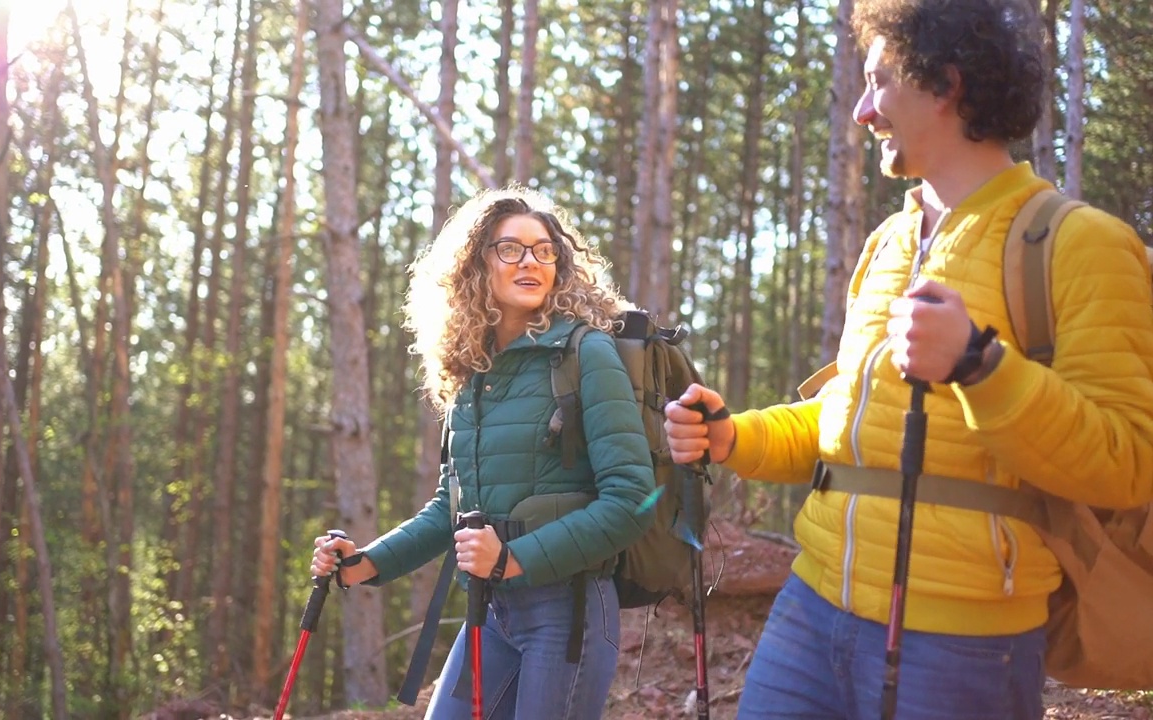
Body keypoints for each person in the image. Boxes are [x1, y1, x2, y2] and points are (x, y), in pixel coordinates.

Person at [664, 0, 1153, 717]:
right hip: (812, 605)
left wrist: (980, 367)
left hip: (965, 640)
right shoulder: (887, 244)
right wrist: (735, 435)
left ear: (945, 83)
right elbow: (849, 424)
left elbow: (1128, 461)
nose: (863, 111)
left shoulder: (1081, 244)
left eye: (878, 82)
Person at [310, 187, 655, 719]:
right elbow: (451, 504)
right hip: (494, 611)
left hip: (570, 611)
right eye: (510, 249)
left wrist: (514, 560)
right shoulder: (474, 375)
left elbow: (632, 498)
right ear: (477, 265)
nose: (531, 262)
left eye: (545, 250)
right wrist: (365, 563)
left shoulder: (588, 353)